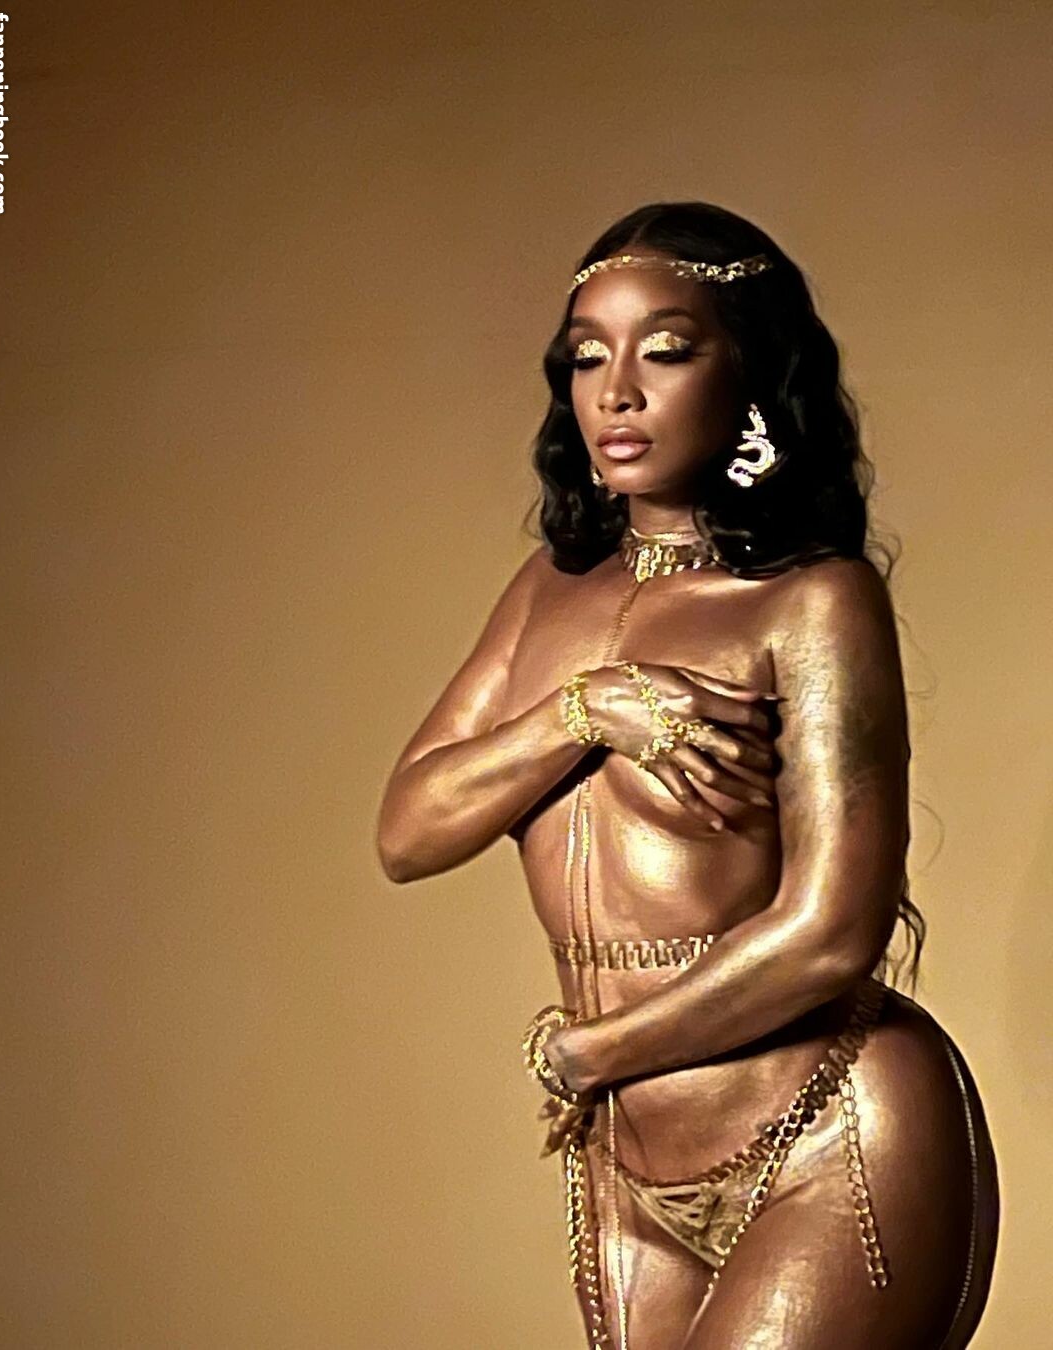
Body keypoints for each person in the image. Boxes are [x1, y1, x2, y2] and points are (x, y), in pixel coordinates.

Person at [376, 201, 999, 1349]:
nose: (617, 391)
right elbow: (409, 830)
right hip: (628, 1163)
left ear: (748, 372)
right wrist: (584, 711)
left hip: (825, 1129)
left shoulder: (813, 601)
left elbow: (834, 932)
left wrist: (589, 1054)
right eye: (587, 357)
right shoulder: (546, 594)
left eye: (664, 351)